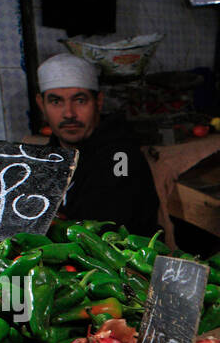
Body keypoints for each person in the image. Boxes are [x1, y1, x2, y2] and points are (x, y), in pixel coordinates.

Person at [35, 53, 161, 236]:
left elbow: (112, 227)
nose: (69, 113)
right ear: (41, 105)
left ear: (98, 102)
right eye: (56, 101)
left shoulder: (122, 157)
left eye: (80, 100)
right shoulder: (46, 156)